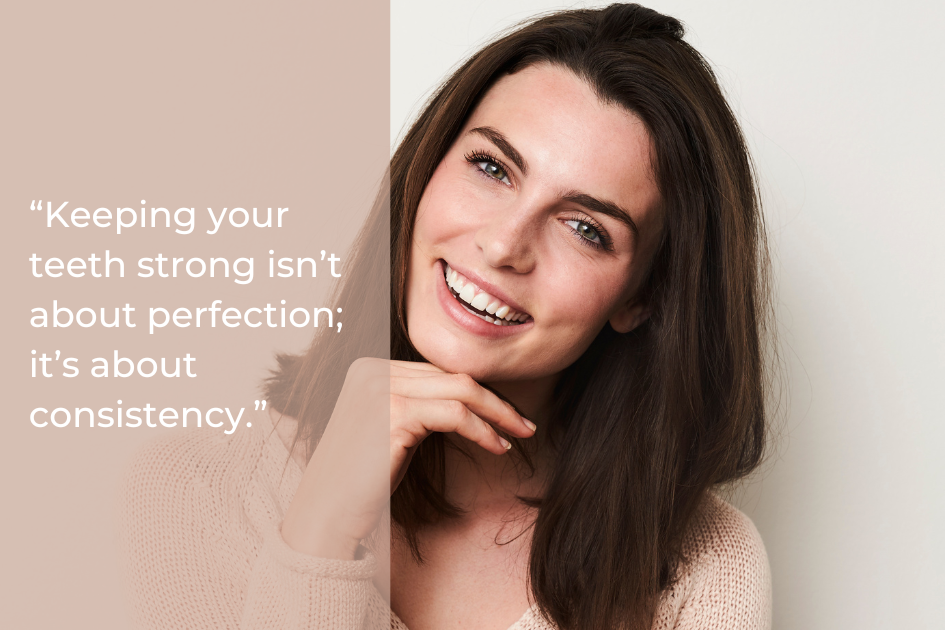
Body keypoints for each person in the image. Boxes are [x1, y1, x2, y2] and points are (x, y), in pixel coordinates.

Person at [119, 4, 773, 629]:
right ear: (427, 167)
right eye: (491, 167)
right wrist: (319, 532)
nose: (502, 245)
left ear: (641, 297)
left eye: (584, 227)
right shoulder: (190, 493)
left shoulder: (701, 567)